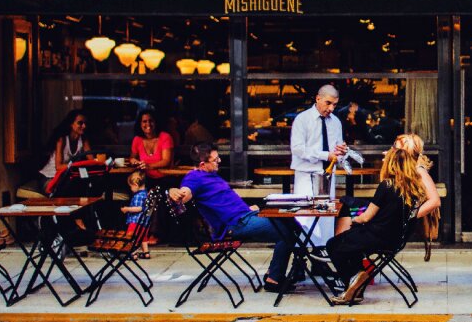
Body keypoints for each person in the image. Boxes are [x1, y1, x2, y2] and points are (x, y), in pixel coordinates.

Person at [325, 138, 440, 305]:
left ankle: (354, 278)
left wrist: (355, 220)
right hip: (395, 239)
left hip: (377, 236)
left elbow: (366, 217)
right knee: (352, 245)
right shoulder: (413, 188)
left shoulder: (386, 185)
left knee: (333, 245)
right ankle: (356, 286)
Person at [169, 143, 295, 292]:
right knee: (287, 230)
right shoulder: (194, 178)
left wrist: (248, 209)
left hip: (245, 215)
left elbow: (224, 201)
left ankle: (273, 273)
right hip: (235, 225)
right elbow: (185, 193)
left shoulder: (211, 175)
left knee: (292, 222)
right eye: (215, 160)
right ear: (202, 164)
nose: (220, 161)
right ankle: (274, 278)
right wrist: (174, 191)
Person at [290, 84, 347, 245]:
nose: (331, 108)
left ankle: (321, 256)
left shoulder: (335, 122)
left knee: (326, 219)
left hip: (327, 176)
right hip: (306, 175)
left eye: (334, 105)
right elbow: (298, 149)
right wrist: (325, 155)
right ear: (318, 98)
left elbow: (337, 150)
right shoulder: (302, 119)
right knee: (304, 217)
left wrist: (342, 152)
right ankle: (300, 259)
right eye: (328, 103)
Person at [39, 109, 92, 191]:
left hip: (66, 178)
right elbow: (59, 167)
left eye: (85, 123)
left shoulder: (84, 139)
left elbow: (92, 161)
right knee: (62, 191)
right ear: (71, 124)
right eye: (80, 123)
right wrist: (79, 166)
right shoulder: (62, 139)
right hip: (50, 177)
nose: (84, 126)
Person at [129, 109, 174, 179]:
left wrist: (149, 166)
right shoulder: (137, 139)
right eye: (144, 121)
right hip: (144, 179)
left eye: (151, 121)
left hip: (164, 178)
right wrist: (134, 161)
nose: (148, 124)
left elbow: (166, 161)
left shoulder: (165, 137)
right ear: (140, 124)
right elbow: (132, 158)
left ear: (155, 122)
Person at [121, 170, 151, 259]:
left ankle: (132, 252)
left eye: (131, 187)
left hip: (136, 221)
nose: (130, 189)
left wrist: (127, 209)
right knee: (143, 237)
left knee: (132, 237)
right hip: (144, 221)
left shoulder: (138, 195)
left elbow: (139, 208)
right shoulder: (146, 193)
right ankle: (146, 252)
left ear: (136, 185)